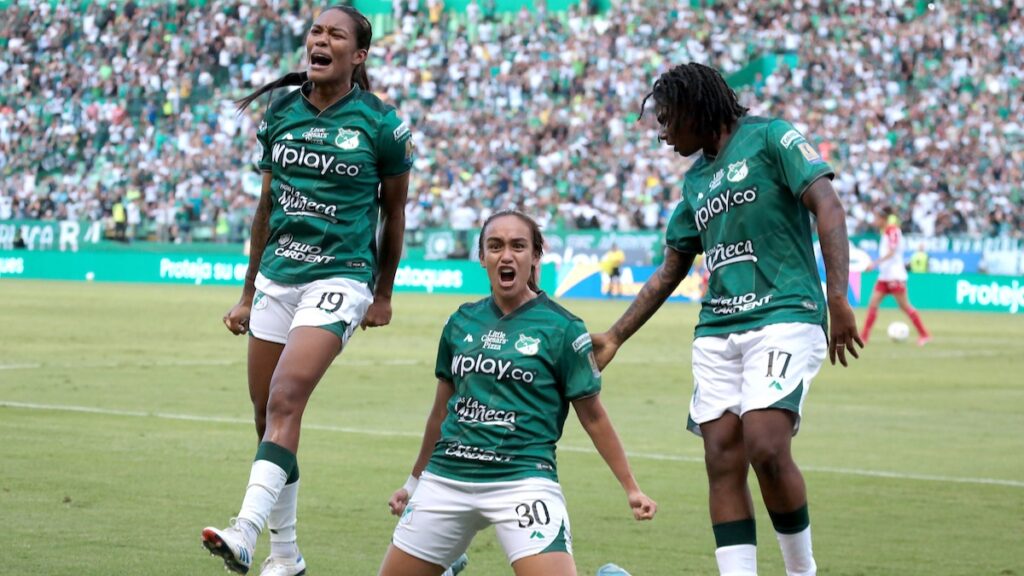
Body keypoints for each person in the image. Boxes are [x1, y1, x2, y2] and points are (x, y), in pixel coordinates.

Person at [591, 63, 862, 576]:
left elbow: (827, 204)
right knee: (721, 455)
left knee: (766, 444)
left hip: (784, 313)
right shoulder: (695, 180)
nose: (663, 134)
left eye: (668, 121)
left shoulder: (771, 138)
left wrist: (837, 295)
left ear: (696, 109)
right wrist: (616, 336)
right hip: (717, 330)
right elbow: (671, 269)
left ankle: (801, 571)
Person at [201, 6, 414, 575]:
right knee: (267, 418)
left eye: (334, 34)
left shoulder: (381, 124)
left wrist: (383, 293)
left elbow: (394, 213)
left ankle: (245, 531)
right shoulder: (281, 113)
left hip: (340, 276)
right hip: (278, 276)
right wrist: (248, 293)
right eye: (316, 31)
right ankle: (286, 555)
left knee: (286, 396)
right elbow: (265, 208)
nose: (320, 40)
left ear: (358, 55)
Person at [378, 210, 658, 576]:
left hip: (522, 481)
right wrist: (413, 482)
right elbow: (440, 413)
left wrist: (631, 488)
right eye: (495, 246)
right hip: (447, 478)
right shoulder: (460, 321)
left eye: (518, 246)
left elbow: (593, 417)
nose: (506, 255)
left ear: (535, 256)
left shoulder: (563, 328)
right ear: (482, 257)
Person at [860, 214, 931, 346]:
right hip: (884, 276)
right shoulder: (886, 232)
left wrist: (874, 264)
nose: (875, 221)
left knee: (905, 306)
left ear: (883, 219)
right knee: (873, 304)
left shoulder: (892, 231)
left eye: (877, 218)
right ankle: (864, 337)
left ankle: (924, 335)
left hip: (895, 275)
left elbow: (892, 252)